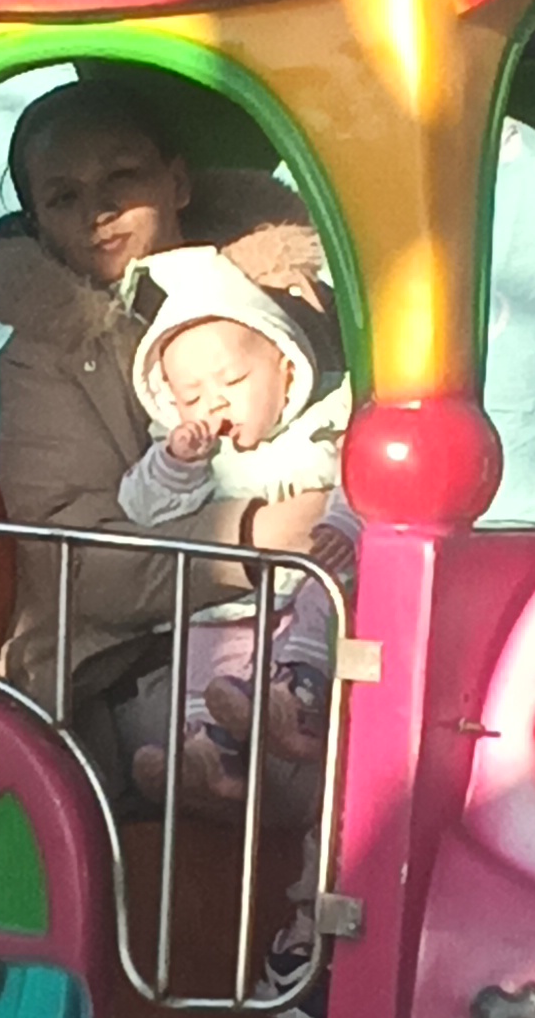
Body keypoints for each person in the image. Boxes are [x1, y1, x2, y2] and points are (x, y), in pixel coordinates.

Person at [0, 69, 332, 773]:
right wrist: (254, 536)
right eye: (64, 197)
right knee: (325, 766)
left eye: (122, 177)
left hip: (308, 614)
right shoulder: (44, 357)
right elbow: (79, 563)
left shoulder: (281, 303)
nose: (99, 210)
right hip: (122, 662)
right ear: (39, 223)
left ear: (177, 182)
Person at [115, 247, 355, 806]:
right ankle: (206, 752)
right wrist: (175, 463)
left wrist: (342, 523)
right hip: (229, 601)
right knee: (206, 658)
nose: (214, 403)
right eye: (192, 395)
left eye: (234, 380)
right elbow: (142, 509)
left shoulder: (323, 426)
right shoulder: (193, 453)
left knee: (321, 610)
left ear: (286, 371)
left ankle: (296, 703)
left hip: (305, 586)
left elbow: (361, 476)